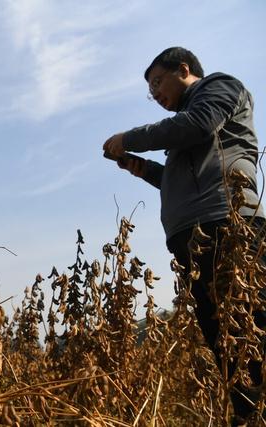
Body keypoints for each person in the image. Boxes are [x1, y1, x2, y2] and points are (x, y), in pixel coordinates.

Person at [103, 47, 266, 424]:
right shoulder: (184, 133)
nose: (155, 93)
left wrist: (130, 138)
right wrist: (144, 169)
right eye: (150, 89)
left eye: (158, 82)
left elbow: (199, 125)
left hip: (228, 227)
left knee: (250, 329)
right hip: (194, 236)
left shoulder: (219, 89)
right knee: (223, 341)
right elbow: (180, 182)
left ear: (184, 69)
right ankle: (249, 416)